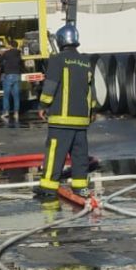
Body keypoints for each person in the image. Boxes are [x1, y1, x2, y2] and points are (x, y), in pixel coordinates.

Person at [35, 23, 92, 200]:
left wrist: (43, 105)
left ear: (60, 41)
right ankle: (80, 188)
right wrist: (92, 111)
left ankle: (48, 188)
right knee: (80, 155)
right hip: (81, 120)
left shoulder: (57, 59)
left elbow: (51, 85)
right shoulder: (85, 61)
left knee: (55, 153)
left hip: (61, 119)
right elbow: (90, 90)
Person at [0, 40, 24, 121]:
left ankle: (6, 112)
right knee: (16, 95)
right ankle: (16, 113)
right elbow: (21, 63)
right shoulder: (19, 53)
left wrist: (0, 55)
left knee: (6, 95)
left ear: (10, 45)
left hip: (8, 75)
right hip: (17, 75)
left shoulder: (7, 53)